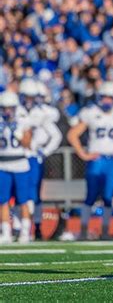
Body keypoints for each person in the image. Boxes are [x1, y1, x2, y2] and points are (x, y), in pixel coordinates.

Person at [67, 81, 113, 240]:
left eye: (111, 97)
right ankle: (83, 231)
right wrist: (83, 153)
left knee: (109, 197)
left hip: (112, 160)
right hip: (96, 160)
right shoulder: (90, 112)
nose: (107, 100)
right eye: (104, 97)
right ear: (99, 97)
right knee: (91, 195)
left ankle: (105, 231)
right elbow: (72, 134)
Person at [17, 79, 62, 241]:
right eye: (26, 97)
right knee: (17, 193)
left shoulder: (42, 113)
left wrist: (44, 151)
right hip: (16, 157)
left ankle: (35, 226)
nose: (29, 101)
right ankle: (19, 226)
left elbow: (55, 135)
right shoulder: (15, 111)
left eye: (31, 97)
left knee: (33, 194)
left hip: (33, 158)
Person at [0, 92, 32, 244]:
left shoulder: (22, 120)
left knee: (23, 200)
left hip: (20, 164)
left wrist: (19, 135)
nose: (7, 111)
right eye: (4, 108)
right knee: (3, 200)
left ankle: (25, 232)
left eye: (10, 108)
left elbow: (28, 144)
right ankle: (6, 232)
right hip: (3, 164)